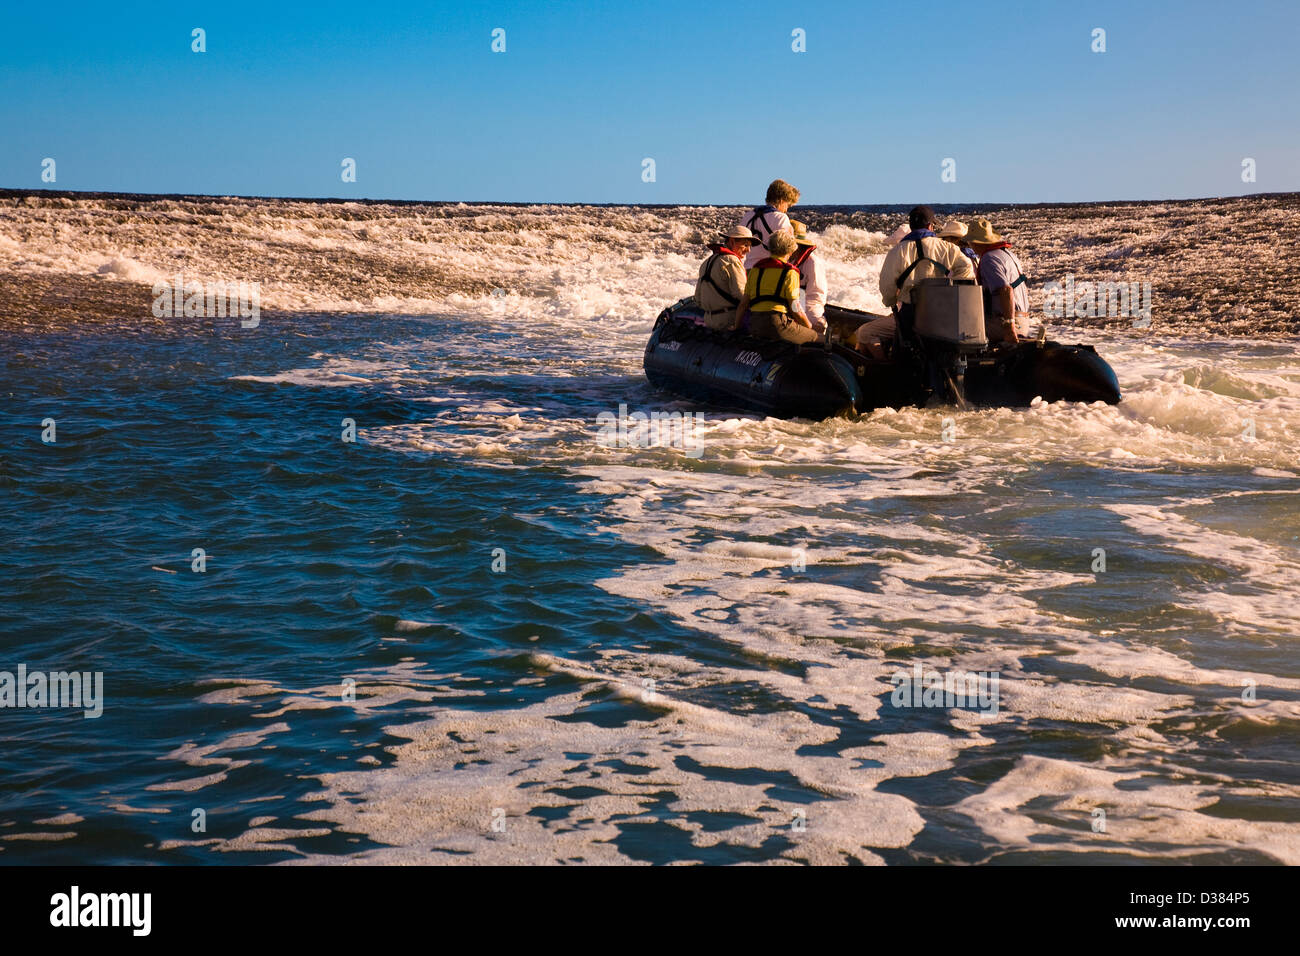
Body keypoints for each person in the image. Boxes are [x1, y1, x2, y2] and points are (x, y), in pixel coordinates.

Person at [855, 205, 974, 359]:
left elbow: (886, 286)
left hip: (910, 317)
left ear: (911, 226)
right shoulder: (948, 248)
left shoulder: (897, 251)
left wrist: (891, 300)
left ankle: (887, 371)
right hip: (942, 316)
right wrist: (949, 294)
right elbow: (966, 269)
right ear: (930, 226)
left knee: (870, 335)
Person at [734, 228, 820, 344]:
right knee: (815, 337)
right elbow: (796, 310)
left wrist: (736, 328)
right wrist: (809, 327)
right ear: (791, 250)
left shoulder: (756, 269)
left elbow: (743, 305)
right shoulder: (790, 272)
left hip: (754, 325)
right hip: (777, 325)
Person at [966, 218, 1030, 343]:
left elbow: (1006, 290)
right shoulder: (1008, 254)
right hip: (1024, 321)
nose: (970, 246)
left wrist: (1009, 327)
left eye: (970, 243)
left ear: (976, 243)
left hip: (1007, 323)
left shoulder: (988, 259)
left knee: (963, 331)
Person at [694, 225, 759, 329]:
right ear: (732, 242)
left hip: (708, 320)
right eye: (745, 245)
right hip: (728, 320)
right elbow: (741, 294)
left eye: (750, 246)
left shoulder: (706, 262)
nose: (749, 250)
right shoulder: (732, 261)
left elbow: (698, 299)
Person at [738, 179, 800, 268]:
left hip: (748, 270)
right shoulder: (781, 218)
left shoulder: (748, 216)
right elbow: (787, 249)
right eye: (787, 205)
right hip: (770, 270)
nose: (786, 210)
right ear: (782, 200)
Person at [788, 220, 827, 335]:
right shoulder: (788, 260)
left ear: (798, 245)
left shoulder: (813, 263)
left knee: (817, 324)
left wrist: (800, 316)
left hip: (808, 306)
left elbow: (816, 297)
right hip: (792, 304)